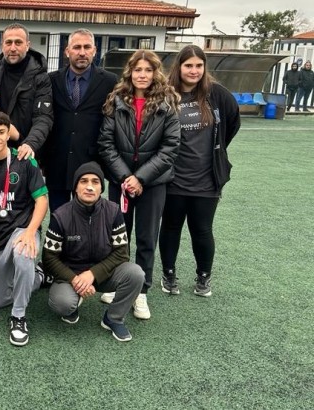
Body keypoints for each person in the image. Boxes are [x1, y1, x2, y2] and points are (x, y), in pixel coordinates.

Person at [98, 49, 181, 320]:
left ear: (155, 73)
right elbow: (106, 143)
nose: (142, 75)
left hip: (153, 184)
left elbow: (170, 147)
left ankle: (142, 291)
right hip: (120, 182)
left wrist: (141, 177)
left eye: (147, 70)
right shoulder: (116, 100)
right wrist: (126, 177)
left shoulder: (167, 103)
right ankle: (119, 283)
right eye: (137, 70)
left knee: (146, 238)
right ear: (130, 72)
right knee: (119, 236)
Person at [159, 45, 240, 297]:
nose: (194, 71)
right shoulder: (166, 94)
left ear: (204, 68)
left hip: (207, 179)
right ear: (179, 67)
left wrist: (217, 151)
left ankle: (203, 277)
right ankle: (168, 274)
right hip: (173, 178)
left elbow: (232, 122)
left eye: (199, 65)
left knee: (202, 230)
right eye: (188, 65)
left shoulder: (217, 94)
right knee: (170, 227)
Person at [42, 162, 145, 342]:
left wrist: (92, 274)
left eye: (95, 182)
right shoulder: (60, 216)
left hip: (104, 273)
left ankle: (113, 318)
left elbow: (122, 253)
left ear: (101, 188)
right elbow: (49, 258)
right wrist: (75, 280)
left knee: (136, 274)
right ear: (76, 187)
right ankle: (73, 304)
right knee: (62, 304)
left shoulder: (113, 211)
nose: (89, 187)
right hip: (71, 275)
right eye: (83, 181)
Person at [0, 111, 49, 346]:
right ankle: (39, 277)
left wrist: (30, 231)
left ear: (8, 134)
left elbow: (42, 200)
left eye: (1, 132)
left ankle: (18, 317)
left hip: (22, 229)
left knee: (23, 254)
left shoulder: (24, 160)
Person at [43, 29, 117, 211]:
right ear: (67, 51)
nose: (82, 52)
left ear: (94, 51)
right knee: (58, 216)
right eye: (77, 47)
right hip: (57, 163)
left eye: (87, 47)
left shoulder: (110, 81)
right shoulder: (51, 80)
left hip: (91, 162)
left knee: (88, 217)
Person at [0, 23, 52, 162]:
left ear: (27, 45)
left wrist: (30, 143)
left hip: (24, 153)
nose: (13, 48)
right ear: (2, 45)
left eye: (18, 43)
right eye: (8, 43)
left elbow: (43, 118)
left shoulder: (40, 77)